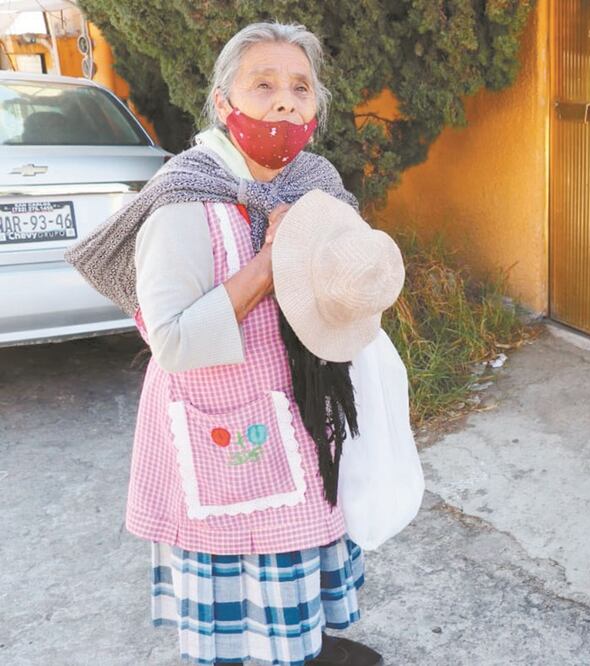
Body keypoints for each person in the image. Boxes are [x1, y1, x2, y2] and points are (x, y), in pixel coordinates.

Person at [66, 22, 402, 666]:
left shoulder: (317, 183)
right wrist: (270, 263)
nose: (285, 103)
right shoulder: (183, 200)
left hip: (304, 416)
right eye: (264, 85)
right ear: (224, 103)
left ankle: (304, 645)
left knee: (302, 552)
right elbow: (172, 341)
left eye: (300, 88)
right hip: (224, 427)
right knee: (248, 575)